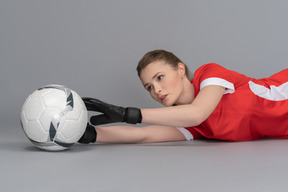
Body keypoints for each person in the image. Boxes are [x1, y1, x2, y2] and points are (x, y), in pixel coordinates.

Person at [78, 49, 288, 144]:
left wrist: (127, 114)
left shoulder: (209, 73)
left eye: (160, 77)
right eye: (149, 87)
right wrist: (89, 135)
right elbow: (144, 135)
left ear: (180, 69)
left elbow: (197, 113)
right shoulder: (188, 124)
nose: (156, 90)